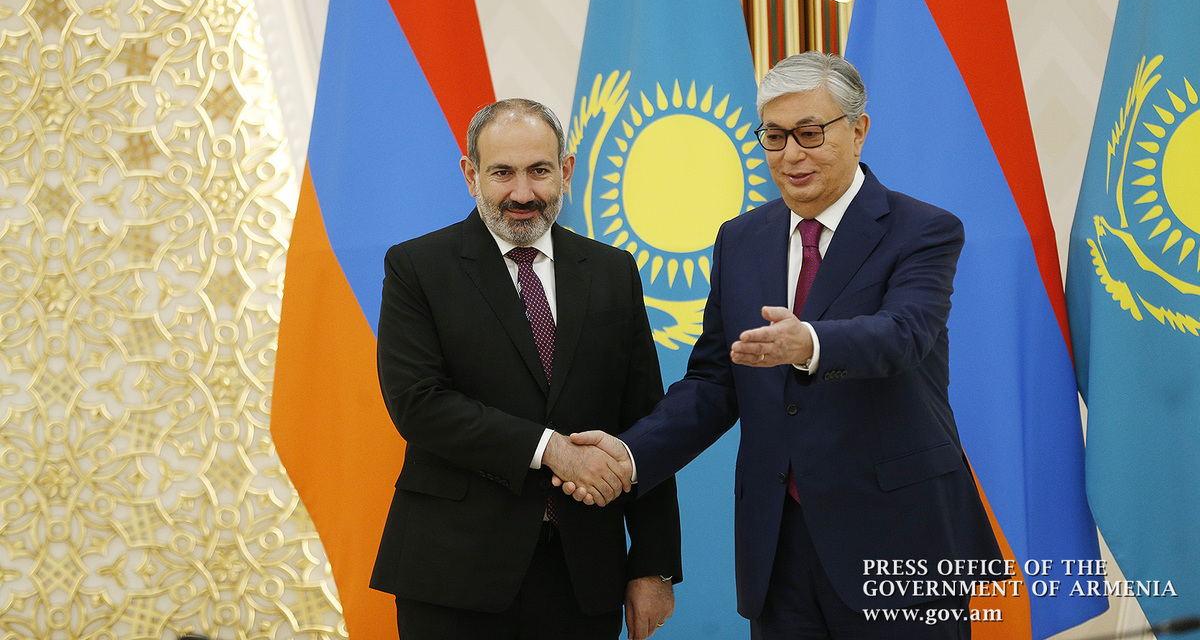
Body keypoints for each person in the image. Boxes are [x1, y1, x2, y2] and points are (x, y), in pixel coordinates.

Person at [560, 53, 1004, 639]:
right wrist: (628, 454)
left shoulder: (922, 229)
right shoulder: (741, 239)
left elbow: (906, 333)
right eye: (774, 136)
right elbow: (716, 382)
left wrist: (810, 342)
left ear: (858, 130)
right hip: (778, 546)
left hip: (898, 538)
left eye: (810, 133)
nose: (791, 154)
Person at [369, 98, 682, 640]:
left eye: (539, 171)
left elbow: (645, 423)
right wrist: (551, 449)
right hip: (454, 575)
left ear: (566, 171)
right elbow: (418, 404)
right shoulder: (417, 267)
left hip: (583, 578)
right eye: (502, 173)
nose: (522, 193)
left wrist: (653, 565)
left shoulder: (612, 271)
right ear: (471, 175)